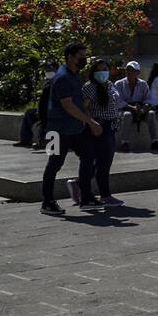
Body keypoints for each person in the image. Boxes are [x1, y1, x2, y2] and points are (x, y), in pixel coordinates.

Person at [40, 43, 102, 216]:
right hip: (57, 130)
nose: (84, 60)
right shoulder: (62, 78)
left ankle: (86, 197)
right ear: (70, 57)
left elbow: (77, 104)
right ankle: (47, 202)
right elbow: (68, 106)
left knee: (89, 157)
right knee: (54, 164)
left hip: (75, 128)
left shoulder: (74, 75)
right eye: (81, 56)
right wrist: (90, 122)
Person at [81, 59, 124, 206]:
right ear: (94, 72)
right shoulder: (90, 87)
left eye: (105, 69)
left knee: (104, 161)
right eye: (99, 70)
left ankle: (78, 184)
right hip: (99, 126)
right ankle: (105, 195)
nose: (103, 73)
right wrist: (92, 123)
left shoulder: (110, 85)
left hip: (111, 126)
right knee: (103, 163)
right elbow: (84, 108)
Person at [114, 60, 158, 151]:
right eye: (127, 70)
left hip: (139, 109)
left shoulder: (143, 84)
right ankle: (124, 143)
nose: (129, 72)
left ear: (138, 72)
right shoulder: (118, 84)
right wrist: (132, 108)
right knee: (127, 115)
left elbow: (148, 99)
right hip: (124, 109)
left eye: (132, 70)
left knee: (151, 114)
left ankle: (155, 141)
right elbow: (118, 101)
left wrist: (142, 109)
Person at [19, 61, 59, 148]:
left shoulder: (59, 81)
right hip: (43, 108)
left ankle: (43, 141)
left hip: (53, 110)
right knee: (29, 113)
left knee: (46, 117)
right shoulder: (46, 81)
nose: (48, 71)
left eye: (51, 69)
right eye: (47, 69)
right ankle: (25, 139)